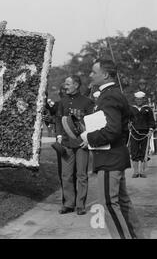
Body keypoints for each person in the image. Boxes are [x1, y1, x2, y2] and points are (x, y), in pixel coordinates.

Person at [80, 59, 144, 239]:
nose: (91, 75)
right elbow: (126, 119)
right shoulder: (113, 93)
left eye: (94, 71)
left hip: (109, 158)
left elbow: (112, 129)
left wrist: (89, 137)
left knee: (109, 204)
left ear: (105, 74)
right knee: (122, 203)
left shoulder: (109, 96)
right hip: (115, 156)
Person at [55, 75, 94, 215]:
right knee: (66, 175)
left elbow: (92, 123)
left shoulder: (87, 102)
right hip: (66, 143)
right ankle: (69, 204)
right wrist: (59, 136)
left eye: (68, 83)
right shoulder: (62, 102)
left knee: (81, 175)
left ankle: (80, 205)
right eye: (65, 83)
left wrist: (88, 139)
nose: (65, 86)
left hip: (81, 144)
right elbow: (58, 121)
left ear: (76, 85)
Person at [128, 91, 155, 178]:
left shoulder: (148, 109)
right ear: (135, 99)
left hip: (145, 133)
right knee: (134, 151)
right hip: (134, 133)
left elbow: (151, 120)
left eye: (140, 99)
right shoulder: (131, 108)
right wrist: (128, 123)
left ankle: (142, 171)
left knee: (144, 151)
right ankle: (136, 172)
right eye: (137, 99)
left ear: (143, 100)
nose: (139, 101)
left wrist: (151, 130)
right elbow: (127, 118)